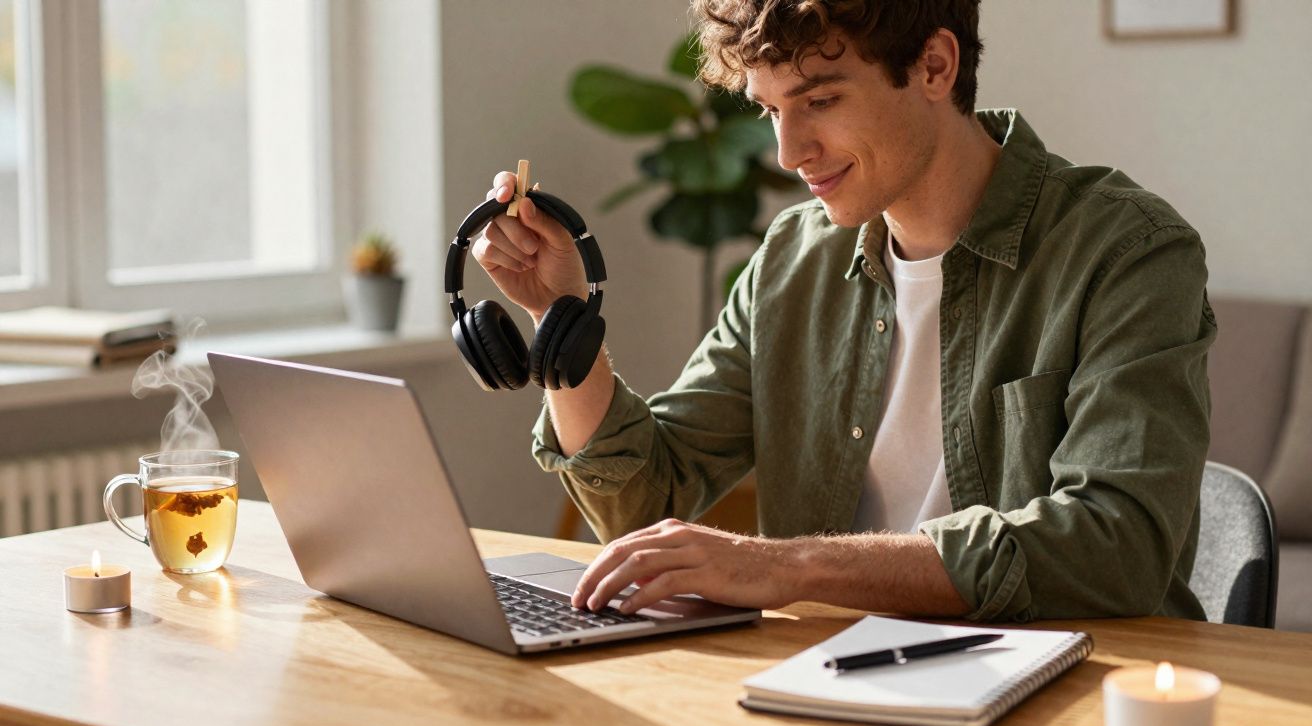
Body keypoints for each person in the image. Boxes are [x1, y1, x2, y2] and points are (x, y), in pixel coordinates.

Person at [471, 0, 1214, 624]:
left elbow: (1117, 547)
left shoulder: (1129, 251)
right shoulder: (794, 258)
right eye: (769, 109)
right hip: (827, 680)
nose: (790, 150)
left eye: (820, 100)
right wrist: (563, 320)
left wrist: (792, 566)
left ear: (934, 66)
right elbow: (647, 504)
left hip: (1072, 686)